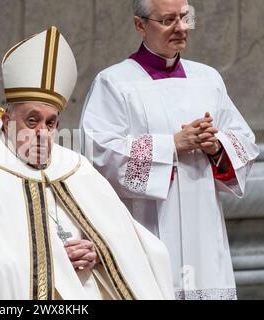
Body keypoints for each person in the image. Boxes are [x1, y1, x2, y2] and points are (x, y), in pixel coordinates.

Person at [0, 26, 175, 300]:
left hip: (93, 283)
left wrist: (98, 249)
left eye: (50, 123)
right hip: (38, 294)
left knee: (157, 251)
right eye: (32, 120)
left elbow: (125, 235)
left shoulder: (74, 165)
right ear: (7, 121)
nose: (41, 132)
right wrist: (54, 261)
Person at [80, 0, 260, 300]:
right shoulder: (114, 83)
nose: (181, 28)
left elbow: (245, 142)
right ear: (141, 25)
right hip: (147, 225)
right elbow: (98, 154)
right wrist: (171, 146)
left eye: (185, 18)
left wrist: (216, 147)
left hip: (204, 229)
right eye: (168, 21)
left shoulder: (209, 79)